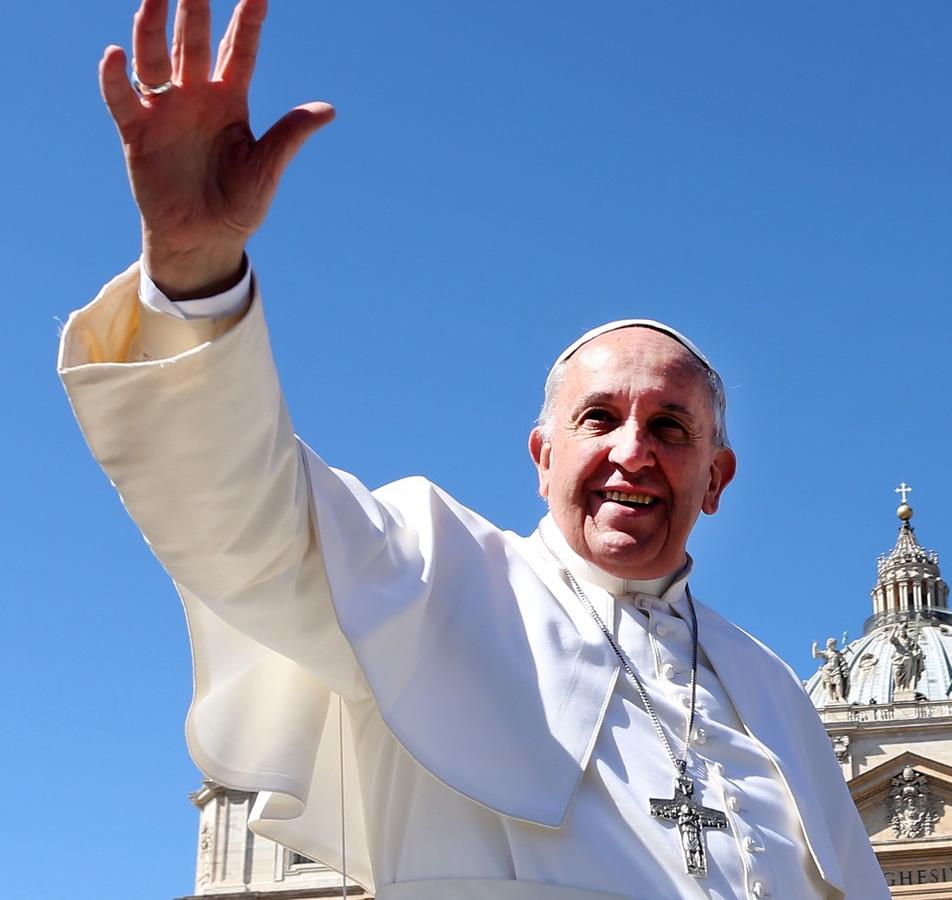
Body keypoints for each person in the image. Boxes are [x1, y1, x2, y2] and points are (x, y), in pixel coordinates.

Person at [60, 1, 887, 897]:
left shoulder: (776, 698)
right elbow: (245, 515)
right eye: (598, 419)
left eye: (671, 428)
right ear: (541, 457)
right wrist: (193, 275)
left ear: (717, 479)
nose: (632, 451)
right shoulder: (432, 577)